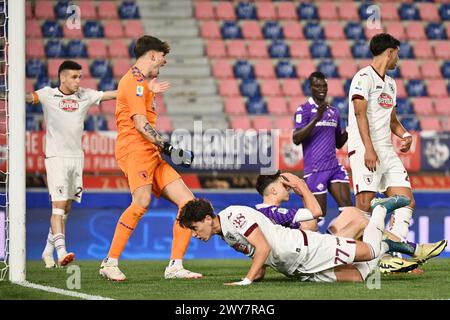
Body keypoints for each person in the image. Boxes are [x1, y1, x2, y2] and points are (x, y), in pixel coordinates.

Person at [99, 35, 202, 281]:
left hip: (150, 152)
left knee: (189, 204)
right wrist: (169, 148)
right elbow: (140, 124)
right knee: (141, 200)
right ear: (153, 55)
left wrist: (149, 91)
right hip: (135, 149)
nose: (163, 63)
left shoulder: (141, 83)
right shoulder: (133, 81)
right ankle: (109, 262)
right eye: (162, 58)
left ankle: (175, 266)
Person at [177, 195, 417, 284]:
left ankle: (379, 210)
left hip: (306, 249)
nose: (196, 234)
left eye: (195, 228)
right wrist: (256, 275)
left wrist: (246, 281)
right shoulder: (227, 235)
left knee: (372, 252)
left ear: (208, 218)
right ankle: (389, 244)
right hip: (298, 268)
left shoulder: (232, 216)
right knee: (360, 276)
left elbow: (263, 247)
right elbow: (260, 258)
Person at [255, 171, 447, 272]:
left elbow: (311, 227)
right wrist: (302, 186)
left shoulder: (266, 212)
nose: (287, 187)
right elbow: (317, 212)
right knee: (362, 223)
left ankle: (396, 254)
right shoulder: (272, 212)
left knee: (353, 212)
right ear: (272, 191)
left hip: (311, 246)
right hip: (312, 255)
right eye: (283, 185)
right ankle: (399, 254)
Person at [26, 60, 117, 268]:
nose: (78, 81)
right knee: (58, 207)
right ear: (63, 78)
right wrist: (7, 94)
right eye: (74, 77)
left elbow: (109, 95)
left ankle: (47, 251)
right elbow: (30, 98)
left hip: (77, 158)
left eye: (80, 77)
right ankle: (61, 252)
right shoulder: (48, 94)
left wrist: (140, 90)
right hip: (56, 157)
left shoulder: (84, 95)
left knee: (67, 207)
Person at [348, 33, 415, 243]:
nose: (398, 59)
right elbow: (360, 114)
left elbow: (392, 120)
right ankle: (358, 256)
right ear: (390, 52)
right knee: (365, 204)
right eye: (397, 54)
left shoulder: (392, 84)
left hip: (387, 150)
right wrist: (369, 148)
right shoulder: (363, 78)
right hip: (365, 148)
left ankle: (394, 256)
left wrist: (405, 134)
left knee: (406, 202)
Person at [292, 72, 352, 217]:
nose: (322, 89)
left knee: (349, 210)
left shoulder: (333, 112)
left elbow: (339, 143)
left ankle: (344, 239)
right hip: (315, 169)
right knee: (318, 215)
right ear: (310, 87)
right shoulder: (304, 110)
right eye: (317, 86)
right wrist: (316, 119)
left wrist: (351, 129)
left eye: (324, 86)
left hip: (333, 166)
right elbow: (296, 138)